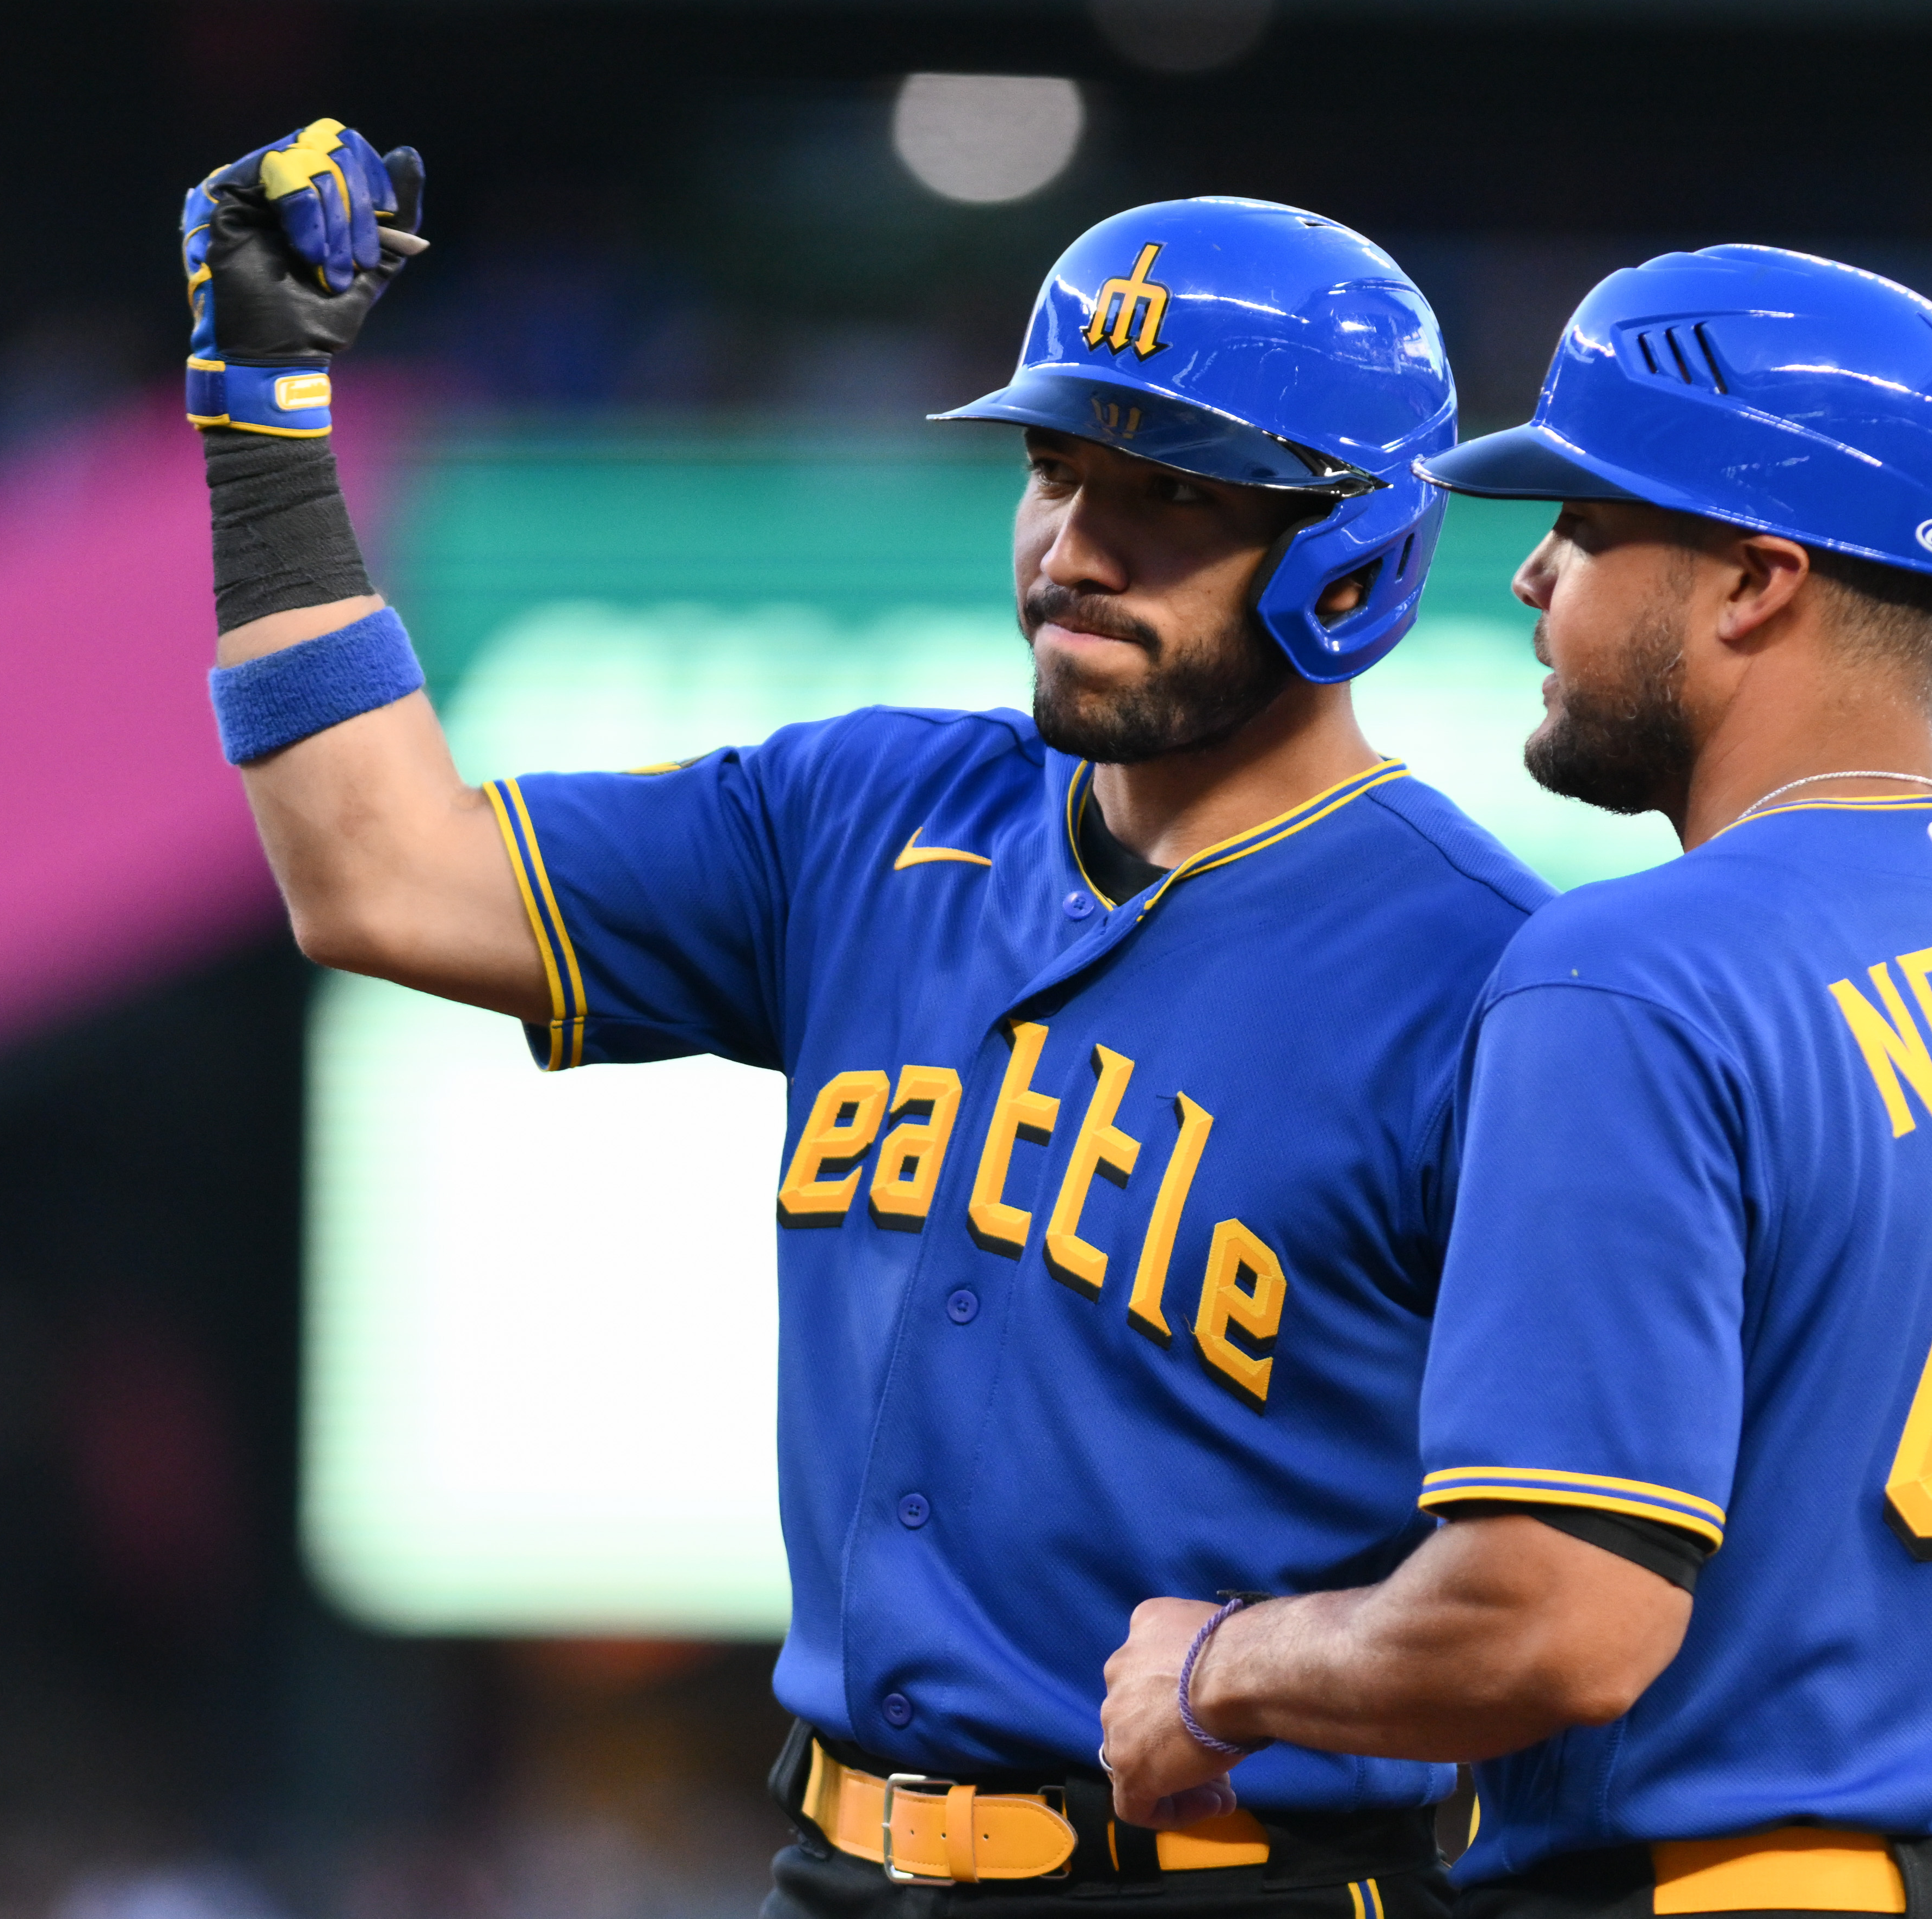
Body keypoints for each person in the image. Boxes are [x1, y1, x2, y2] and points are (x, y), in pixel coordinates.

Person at [181, 124, 1550, 1919]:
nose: (1076, 545)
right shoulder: (864, 818)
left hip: (1239, 1879)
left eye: (1170, 495)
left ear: (1355, 553)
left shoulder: (1488, 974)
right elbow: (377, 877)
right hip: (837, 1868)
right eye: (1055, 469)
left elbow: (1560, 1588)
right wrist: (263, 423)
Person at [1100, 246, 1932, 1919]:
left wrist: (1222, 1668)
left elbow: (1552, 1622)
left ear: (1752, 584)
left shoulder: (1634, 975)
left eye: (1587, 530)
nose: (1530, 577)